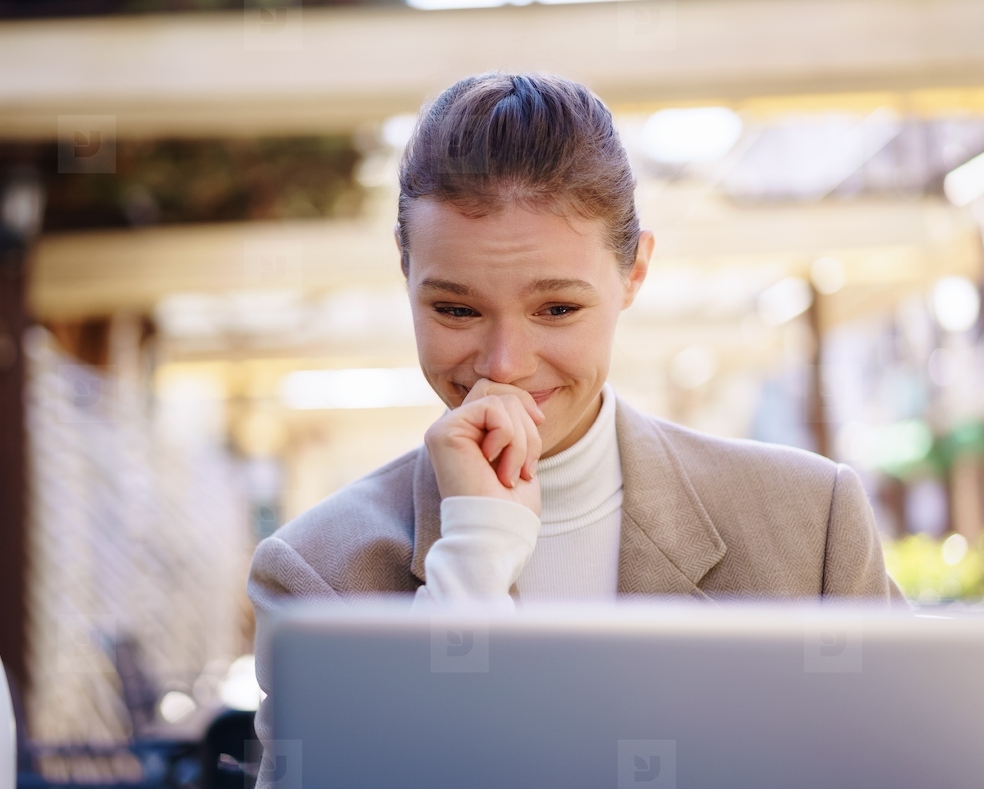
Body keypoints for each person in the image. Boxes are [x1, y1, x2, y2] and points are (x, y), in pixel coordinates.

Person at [246, 71, 908, 774]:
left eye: (557, 309)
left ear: (635, 272)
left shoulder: (810, 527)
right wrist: (473, 560)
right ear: (406, 276)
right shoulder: (318, 574)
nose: (505, 365)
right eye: (456, 310)